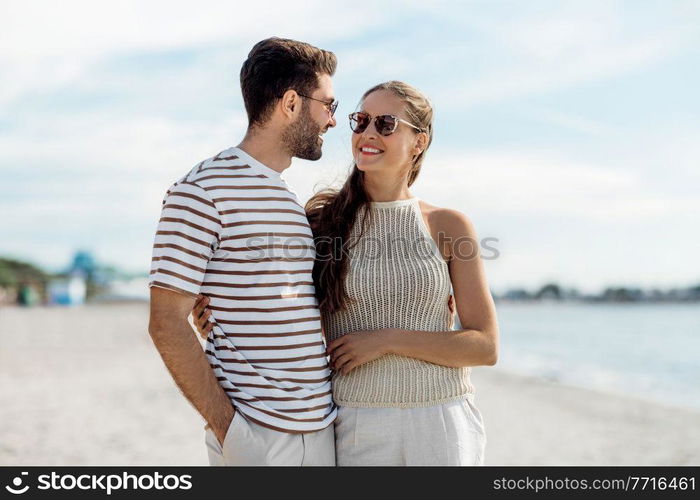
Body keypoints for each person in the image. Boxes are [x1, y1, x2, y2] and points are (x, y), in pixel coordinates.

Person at [194, 81, 499, 466]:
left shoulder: (448, 225)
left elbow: (485, 346)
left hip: (442, 420)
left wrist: (386, 340)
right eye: (361, 121)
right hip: (355, 422)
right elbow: (280, 305)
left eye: (386, 124)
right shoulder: (321, 224)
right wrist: (216, 316)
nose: (368, 134)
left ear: (418, 142)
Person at [147, 37, 339, 466]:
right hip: (258, 435)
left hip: (321, 426)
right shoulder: (201, 191)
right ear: (291, 103)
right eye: (328, 105)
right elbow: (165, 323)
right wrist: (230, 430)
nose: (332, 120)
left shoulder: (286, 197)